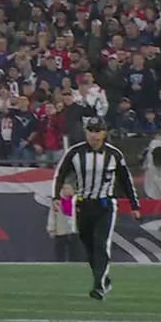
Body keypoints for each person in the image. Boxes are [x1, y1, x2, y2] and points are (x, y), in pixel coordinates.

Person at [52, 118, 141, 300]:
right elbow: (60, 173)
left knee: (101, 243)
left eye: (97, 130)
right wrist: (55, 196)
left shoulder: (114, 154)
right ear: (86, 132)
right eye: (91, 130)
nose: (94, 134)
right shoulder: (75, 152)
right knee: (89, 246)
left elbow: (125, 180)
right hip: (83, 204)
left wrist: (134, 205)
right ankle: (103, 278)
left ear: (104, 133)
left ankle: (98, 286)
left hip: (105, 205)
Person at [46, 181, 81, 262]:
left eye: (68, 188)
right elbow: (52, 216)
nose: (66, 190)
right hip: (61, 231)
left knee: (75, 253)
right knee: (60, 253)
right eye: (64, 188)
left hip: (75, 231)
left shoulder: (77, 202)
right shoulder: (57, 202)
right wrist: (51, 229)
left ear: (73, 190)